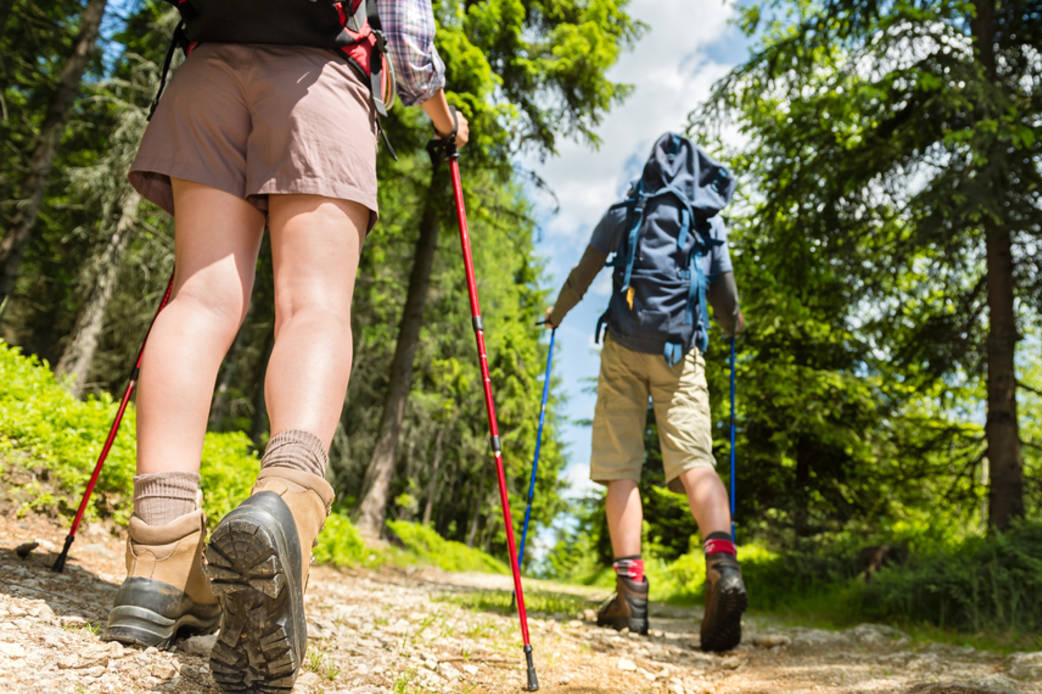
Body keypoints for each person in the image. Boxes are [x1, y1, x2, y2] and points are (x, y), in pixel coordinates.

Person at [101, 0, 468, 690]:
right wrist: (446, 122)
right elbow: (406, 38)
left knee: (199, 300)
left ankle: (157, 554)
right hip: (317, 79)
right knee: (313, 305)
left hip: (208, 72)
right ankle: (285, 504)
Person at [545, 132, 747, 652]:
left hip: (623, 348)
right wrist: (734, 324)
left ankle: (630, 595)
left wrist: (557, 314)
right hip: (683, 352)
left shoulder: (625, 211)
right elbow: (725, 298)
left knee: (622, 467)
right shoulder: (706, 220)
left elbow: (583, 275)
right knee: (695, 460)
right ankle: (723, 566)